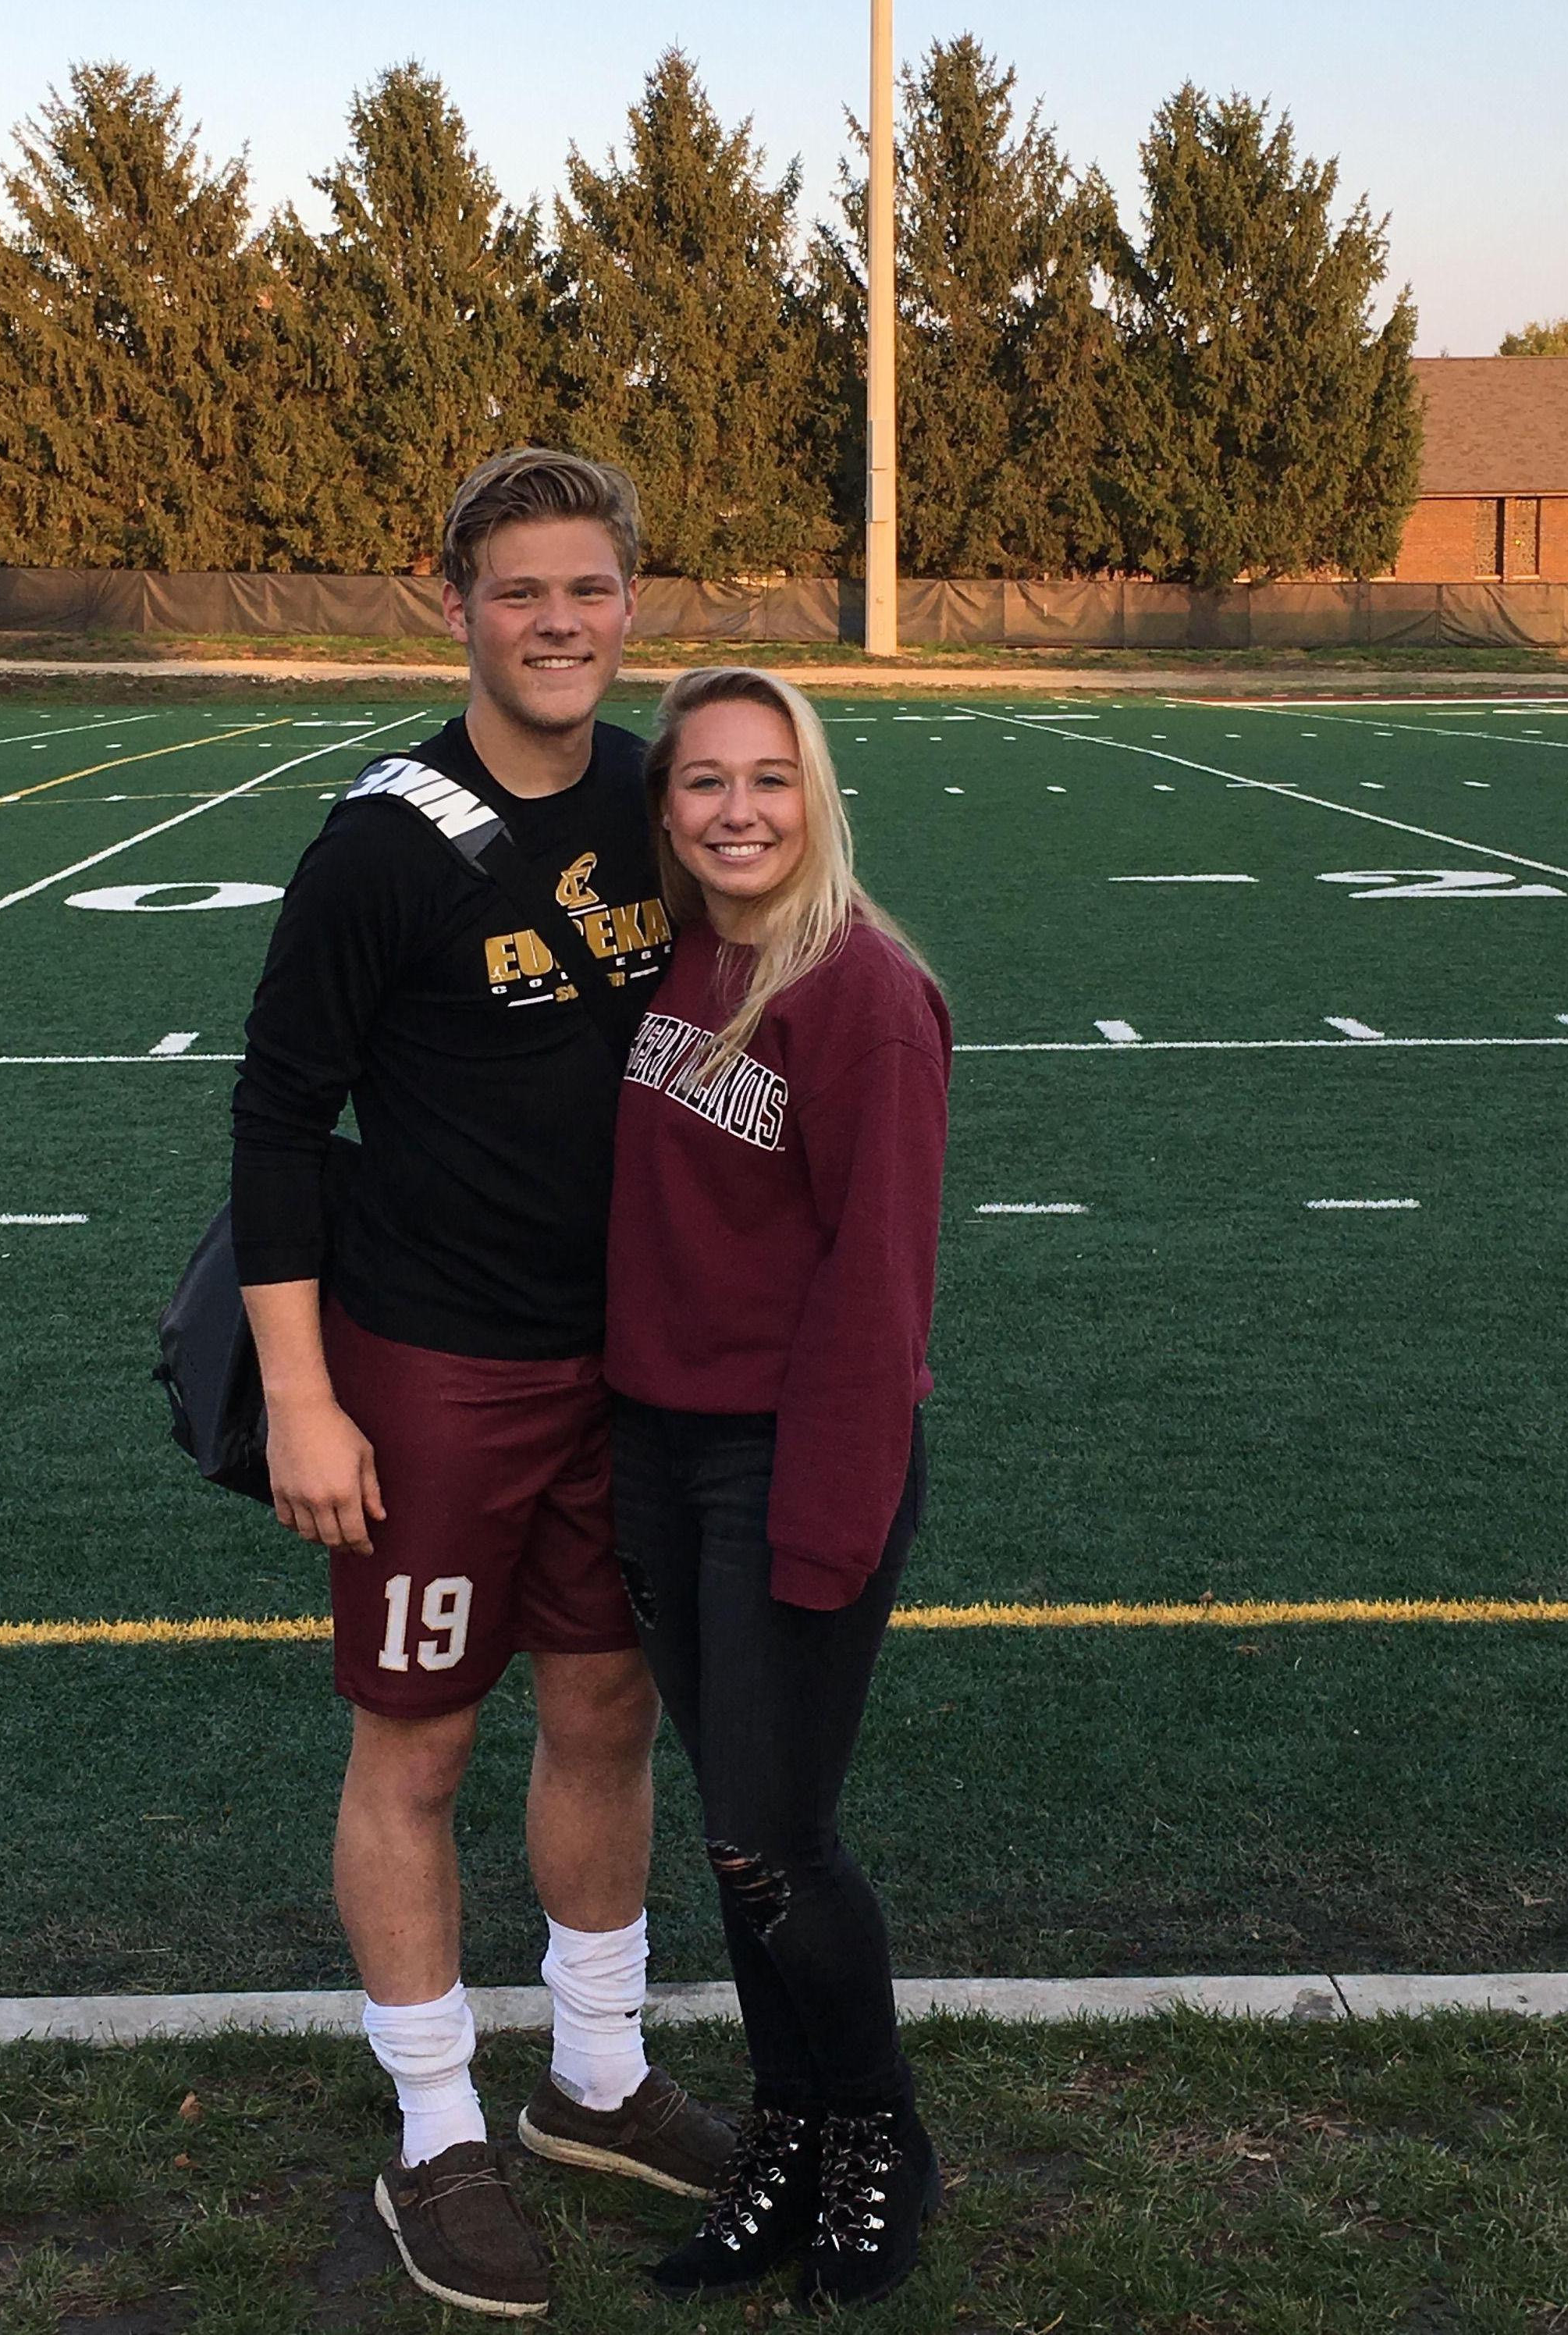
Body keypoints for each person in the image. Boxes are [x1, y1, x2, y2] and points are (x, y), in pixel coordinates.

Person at [230, 449, 732, 2320]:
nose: (556, 624)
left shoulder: (645, 784)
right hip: (436, 1364)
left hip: (630, 1360)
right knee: (418, 1739)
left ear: (628, 599)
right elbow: (279, 1115)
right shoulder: (380, 841)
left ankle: (593, 2078)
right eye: (519, 591)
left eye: (586, 590)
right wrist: (301, 1392)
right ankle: (435, 2121)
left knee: (607, 1709)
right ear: (451, 605)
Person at [603, 667, 953, 2310]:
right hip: (663, 1457)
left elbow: (876, 1294)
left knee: (774, 1835)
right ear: (663, 807)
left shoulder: (863, 993)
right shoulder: (685, 962)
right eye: (701, 782)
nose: (736, 808)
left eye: (770, 777)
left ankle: (879, 2129)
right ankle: (790, 2134)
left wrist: (823, 1521)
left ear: (815, 795)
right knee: (740, 1842)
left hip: (791, 1464)